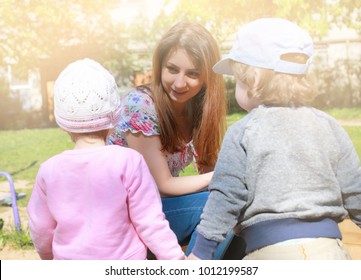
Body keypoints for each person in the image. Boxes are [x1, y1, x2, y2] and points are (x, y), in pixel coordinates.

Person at [189, 18, 361, 260]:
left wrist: (200, 254)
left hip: (271, 254)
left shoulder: (244, 131)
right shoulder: (328, 125)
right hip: (330, 251)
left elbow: (226, 197)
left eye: (238, 80)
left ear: (255, 79)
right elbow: (355, 190)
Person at [108, 21, 243, 258]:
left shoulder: (199, 108)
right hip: (123, 217)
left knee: (239, 215)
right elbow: (164, 185)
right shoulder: (141, 105)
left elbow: (208, 172)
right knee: (216, 209)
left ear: (206, 77)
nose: (180, 83)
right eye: (172, 69)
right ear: (160, 65)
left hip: (155, 213)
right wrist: (225, 175)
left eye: (192, 73)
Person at [27, 58, 185, 260]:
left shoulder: (49, 170)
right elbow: (149, 221)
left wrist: (48, 257)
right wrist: (175, 260)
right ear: (114, 119)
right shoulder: (128, 161)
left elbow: (40, 227)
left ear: (63, 125)